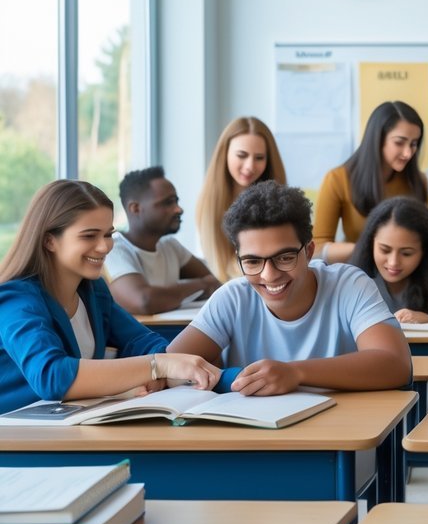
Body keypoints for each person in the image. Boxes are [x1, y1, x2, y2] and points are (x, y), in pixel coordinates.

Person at [168, 181, 411, 395]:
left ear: (309, 251)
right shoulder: (233, 298)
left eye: (284, 258)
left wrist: (295, 373)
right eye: (252, 261)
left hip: (336, 437)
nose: (269, 275)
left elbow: (395, 364)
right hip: (255, 439)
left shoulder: (349, 285)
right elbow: (167, 367)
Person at [0, 180, 219, 414]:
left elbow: (145, 344)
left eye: (108, 235)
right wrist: (158, 367)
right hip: (15, 438)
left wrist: (166, 369)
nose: (104, 247)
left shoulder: (94, 292)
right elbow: (51, 376)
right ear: (49, 240)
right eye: (89, 236)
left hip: (66, 426)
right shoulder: (16, 299)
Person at [315, 101, 428, 265]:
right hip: (358, 270)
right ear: (378, 139)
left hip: (403, 274)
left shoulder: (418, 182)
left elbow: (421, 240)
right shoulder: (337, 179)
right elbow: (317, 249)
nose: (408, 153)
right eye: (399, 142)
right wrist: (366, 250)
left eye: (414, 143)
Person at [107, 166, 221, 315]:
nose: (178, 209)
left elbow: (215, 284)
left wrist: (204, 285)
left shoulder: (170, 246)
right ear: (135, 208)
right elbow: (144, 301)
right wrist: (202, 285)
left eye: (176, 201)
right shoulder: (113, 249)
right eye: (168, 203)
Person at [196, 117, 287, 283]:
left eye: (259, 158)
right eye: (241, 155)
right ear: (225, 153)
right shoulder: (208, 205)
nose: (250, 166)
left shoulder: (277, 202)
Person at [349, 196, 428, 324]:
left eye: (406, 253)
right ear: (371, 243)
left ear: (424, 251)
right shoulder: (355, 272)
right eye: (385, 250)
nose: (393, 262)